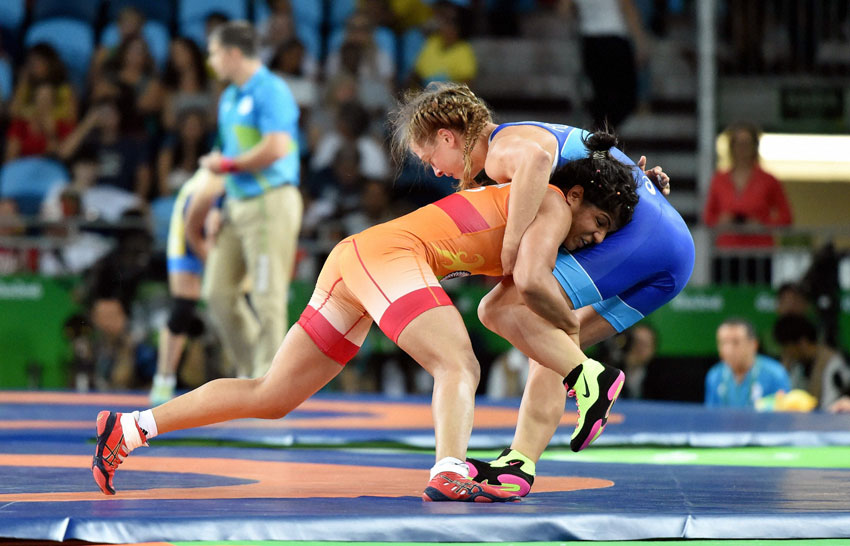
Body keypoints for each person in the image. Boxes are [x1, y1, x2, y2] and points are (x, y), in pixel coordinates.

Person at [91, 133, 638, 503]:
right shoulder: (551, 203)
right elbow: (536, 284)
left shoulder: (542, 208)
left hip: (357, 261)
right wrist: (579, 363)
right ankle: (449, 469)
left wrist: (640, 182)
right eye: (599, 220)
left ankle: (133, 428)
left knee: (272, 396)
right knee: (459, 364)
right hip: (389, 258)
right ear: (575, 193)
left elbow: (517, 295)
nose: (597, 237)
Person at [389, 82, 692, 495]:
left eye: (430, 158)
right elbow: (605, 165)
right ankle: (521, 464)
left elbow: (537, 158)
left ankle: (592, 380)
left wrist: (512, 244)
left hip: (646, 239)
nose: (435, 170)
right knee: (550, 343)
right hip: (669, 257)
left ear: (448, 136)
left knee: (500, 309)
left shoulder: (501, 149)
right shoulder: (516, 145)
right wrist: (643, 180)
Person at [184, 21, 303, 379]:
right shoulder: (230, 98)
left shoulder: (271, 90)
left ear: (234, 53)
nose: (210, 60)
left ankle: (270, 382)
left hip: (270, 202)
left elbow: (277, 147)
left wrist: (227, 166)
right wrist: (219, 205)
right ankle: (256, 375)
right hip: (237, 204)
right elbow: (230, 154)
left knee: (267, 295)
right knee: (218, 295)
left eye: (214, 52)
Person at [149, 169, 221, 405]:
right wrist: (208, 259)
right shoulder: (213, 180)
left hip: (213, 233)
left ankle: (248, 373)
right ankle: (163, 379)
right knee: (183, 309)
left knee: (236, 306)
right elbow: (192, 226)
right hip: (188, 237)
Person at [702, 121, 792, 283]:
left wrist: (762, 225)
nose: (742, 149)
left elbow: (786, 217)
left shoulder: (769, 180)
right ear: (732, 146)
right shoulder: (719, 180)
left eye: (747, 143)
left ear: (754, 146)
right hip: (727, 251)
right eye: (738, 143)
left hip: (758, 252)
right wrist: (722, 221)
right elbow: (708, 217)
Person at [704, 318, 791, 409]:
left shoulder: (776, 374)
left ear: (753, 344)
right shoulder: (714, 375)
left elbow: (783, 415)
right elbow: (711, 415)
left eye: (736, 342)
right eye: (723, 343)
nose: (728, 350)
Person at [772, 314, 850, 411]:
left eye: (788, 348)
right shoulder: (795, 363)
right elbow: (789, 395)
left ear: (802, 343)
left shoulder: (832, 362)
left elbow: (828, 405)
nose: (786, 353)